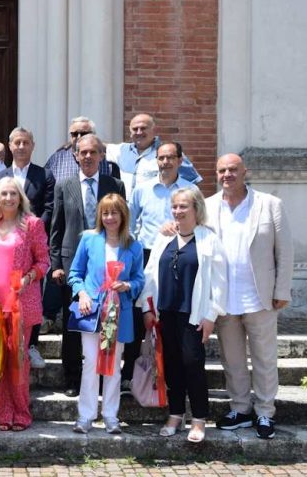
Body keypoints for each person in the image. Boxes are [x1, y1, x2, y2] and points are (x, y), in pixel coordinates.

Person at [207, 153, 294, 440]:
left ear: (245, 171)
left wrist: (282, 290)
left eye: (233, 169)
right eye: (222, 170)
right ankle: (241, 409)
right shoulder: (207, 207)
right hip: (224, 298)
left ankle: (265, 412)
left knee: (264, 358)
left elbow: (285, 251)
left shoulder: (269, 205)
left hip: (260, 296)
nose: (227, 175)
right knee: (232, 360)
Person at [140, 188, 227, 443]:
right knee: (172, 366)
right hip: (165, 313)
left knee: (192, 365)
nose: (178, 212)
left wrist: (211, 315)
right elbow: (150, 274)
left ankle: (199, 419)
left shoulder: (208, 239)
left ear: (196, 209)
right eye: (175, 207)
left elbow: (220, 282)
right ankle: (176, 414)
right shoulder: (164, 237)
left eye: (183, 207)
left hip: (194, 314)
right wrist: (147, 308)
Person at [49, 134, 125, 396]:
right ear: (75, 156)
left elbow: (122, 222)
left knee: (106, 320)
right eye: (83, 153)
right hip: (73, 268)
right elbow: (56, 227)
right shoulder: (64, 185)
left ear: (102, 156)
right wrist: (56, 263)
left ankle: (103, 375)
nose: (88, 157)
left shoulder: (114, 184)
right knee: (73, 325)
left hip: (106, 266)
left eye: (93, 152)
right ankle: (72, 378)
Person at [122, 142, 197, 392]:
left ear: (180, 159)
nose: (165, 162)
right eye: (161, 158)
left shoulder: (190, 190)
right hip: (145, 256)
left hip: (181, 254)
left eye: (170, 158)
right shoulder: (142, 190)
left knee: (171, 317)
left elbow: (201, 221)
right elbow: (129, 224)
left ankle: (170, 376)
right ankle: (129, 375)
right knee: (138, 316)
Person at [67, 194, 144, 434]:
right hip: (92, 311)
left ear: (123, 215)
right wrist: (82, 294)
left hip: (119, 312)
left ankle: (111, 415)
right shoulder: (89, 240)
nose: (110, 218)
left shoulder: (134, 245)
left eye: (114, 213)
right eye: (105, 213)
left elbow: (139, 279)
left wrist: (127, 286)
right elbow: (75, 274)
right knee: (91, 362)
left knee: (114, 364)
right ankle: (86, 415)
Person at [0, 177, 49, 432]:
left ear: (21, 197)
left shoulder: (32, 225)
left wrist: (28, 277)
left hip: (21, 303)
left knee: (18, 361)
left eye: (13, 194)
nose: (9, 198)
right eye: (4, 194)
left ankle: (21, 413)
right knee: (0, 360)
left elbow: (43, 262)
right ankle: (4, 414)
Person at [107, 113, 201, 198]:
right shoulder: (121, 150)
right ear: (130, 132)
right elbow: (98, 145)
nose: (139, 132)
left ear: (154, 130)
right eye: (135, 129)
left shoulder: (168, 154)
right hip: (128, 212)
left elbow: (192, 183)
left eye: (143, 128)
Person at [45, 116, 119, 183]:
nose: (79, 137)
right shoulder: (56, 159)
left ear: (93, 135)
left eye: (84, 133)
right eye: (75, 134)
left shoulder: (108, 161)